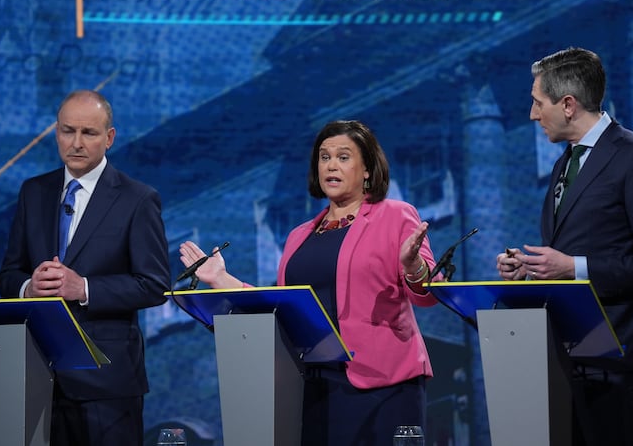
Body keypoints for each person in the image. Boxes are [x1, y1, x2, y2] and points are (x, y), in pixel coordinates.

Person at [179, 119, 441, 445]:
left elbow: (428, 295)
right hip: (313, 385)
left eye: (343, 157)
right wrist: (221, 279)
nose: (331, 164)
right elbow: (281, 307)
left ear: (367, 171)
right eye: (324, 156)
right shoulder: (298, 236)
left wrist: (413, 265)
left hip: (384, 384)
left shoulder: (396, 215)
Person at [495, 47, 633, 446]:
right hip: (560, 357)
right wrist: (529, 269)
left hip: (614, 360)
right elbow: (568, 250)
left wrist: (573, 268)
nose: (531, 114)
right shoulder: (565, 162)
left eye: (536, 103)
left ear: (568, 104)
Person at [0, 90, 170, 446]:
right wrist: (29, 287)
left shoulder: (137, 199)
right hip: (38, 374)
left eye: (88, 133)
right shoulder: (34, 192)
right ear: (56, 133)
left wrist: (85, 288)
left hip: (106, 382)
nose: (75, 143)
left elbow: (154, 284)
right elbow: (8, 273)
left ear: (109, 138)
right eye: (67, 131)